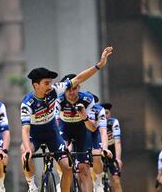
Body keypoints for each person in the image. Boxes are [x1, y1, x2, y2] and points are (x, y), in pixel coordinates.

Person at [20, 46, 114, 192]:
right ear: (35, 85)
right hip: (35, 134)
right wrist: (27, 149)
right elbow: (25, 130)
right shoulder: (27, 104)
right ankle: (32, 185)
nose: (50, 86)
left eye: (51, 83)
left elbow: (78, 79)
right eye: (46, 83)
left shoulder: (54, 91)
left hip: (52, 133)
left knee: (68, 168)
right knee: (24, 153)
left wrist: (99, 65)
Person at [56, 74, 99, 191]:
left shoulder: (88, 99)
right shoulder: (58, 100)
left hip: (83, 130)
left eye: (74, 88)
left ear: (79, 87)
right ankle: (62, 177)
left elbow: (93, 128)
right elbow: (55, 125)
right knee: (60, 153)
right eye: (68, 89)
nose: (71, 92)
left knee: (84, 169)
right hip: (64, 129)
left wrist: (84, 116)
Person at [91, 97, 113, 192]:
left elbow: (103, 132)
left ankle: (99, 182)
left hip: (97, 137)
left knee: (97, 156)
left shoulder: (99, 111)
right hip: (84, 137)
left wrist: (104, 149)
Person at [102, 103, 123, 192]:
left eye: (107, 113)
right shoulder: (97, 122)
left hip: (112, 150)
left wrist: (118, 159)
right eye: (103, 114)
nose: (105, 116)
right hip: (100, 150)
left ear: (110, 113)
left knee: (116, 179)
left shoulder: (113, 122)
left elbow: (117, 142)